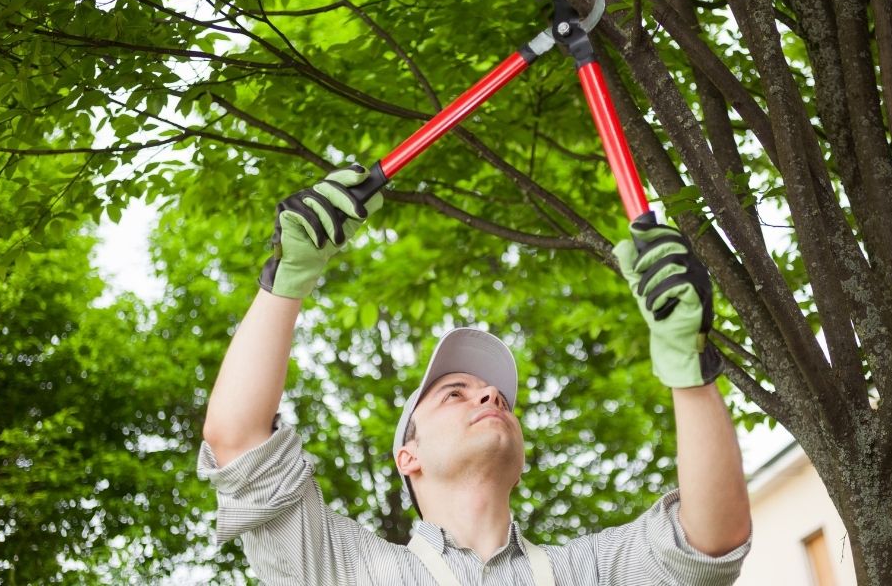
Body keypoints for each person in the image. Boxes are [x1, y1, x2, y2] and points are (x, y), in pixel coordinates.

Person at [198, 166, 752, 585]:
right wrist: (287, 280)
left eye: (498, 399)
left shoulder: (587, 572)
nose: (489, 393)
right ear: (406, 457)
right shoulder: (348, 569)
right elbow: (239, 442)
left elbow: (710, 541)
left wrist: (689, 369)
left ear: (522, 461)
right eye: (453, 393)